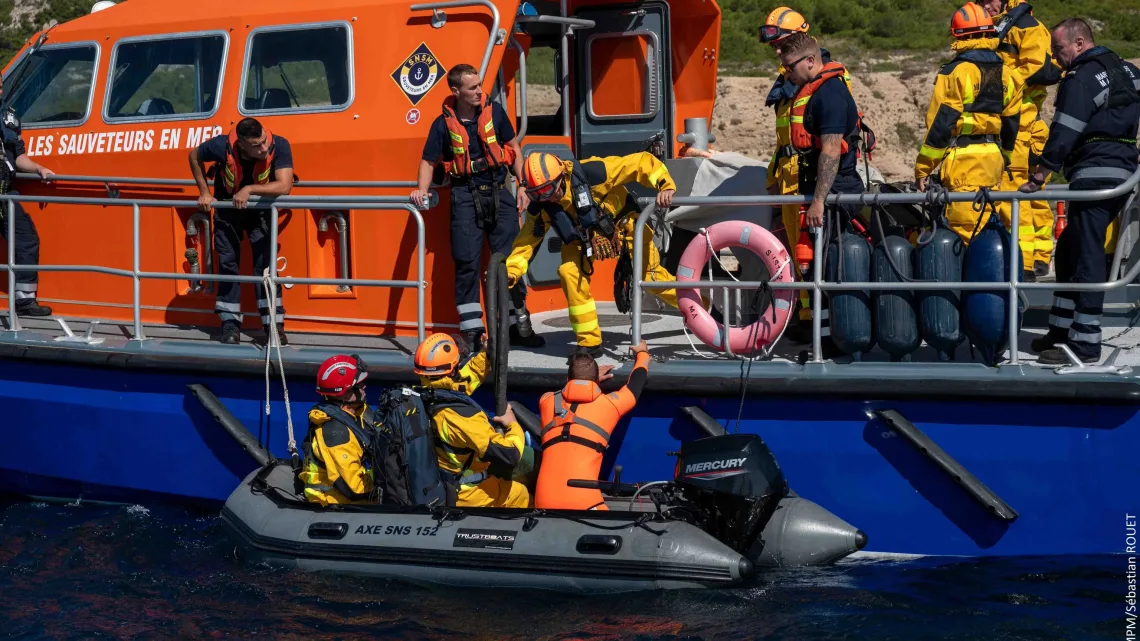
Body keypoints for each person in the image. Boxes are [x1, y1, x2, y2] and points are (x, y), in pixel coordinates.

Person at [1022, 18, 1140, 365]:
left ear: (1078, 43)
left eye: (1058, 50)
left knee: (1086, 254)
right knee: (1070, 247)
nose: (1056, 59)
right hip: (1120, 174)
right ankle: (1060, 330)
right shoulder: (1128, 71)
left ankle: (1085, 344)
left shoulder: (1081, 78)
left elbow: (1064, 131)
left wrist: (1040, 174)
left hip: (1094, 176)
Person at [412, 64, 544, 350]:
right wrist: (421, 191)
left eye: (479, 85)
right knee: (466, 263)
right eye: (472, 88)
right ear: (456, 91)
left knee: (511, 263)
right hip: (463, 196)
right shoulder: (441, 125)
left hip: (499, 192)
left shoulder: (495, 113)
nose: (478, 92)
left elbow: (513, 150)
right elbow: (427, 161)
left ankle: (519, 325)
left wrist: (523, 185)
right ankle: (473, 333)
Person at [507, 151, 678, 357]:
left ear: (561, 177)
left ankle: (701, 309)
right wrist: (511, 271)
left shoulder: (596, 173)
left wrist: (665, 185)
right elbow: (525, 243)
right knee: (569, 272)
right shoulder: (543, 207)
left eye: (547, 191)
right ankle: (589, 343)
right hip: (582, 241)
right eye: (537, 195)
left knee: (651, 277)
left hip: (626, 228)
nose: (546, 198)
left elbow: (641, 162)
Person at [759, 7, 853, 344]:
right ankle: (803, 317)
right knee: (793, 251)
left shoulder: (821, 83)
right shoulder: (789, 80)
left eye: (782, 44)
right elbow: (784, 137)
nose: (778, 53)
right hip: (789, 175)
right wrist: (774, 173)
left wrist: (817, 199)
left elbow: (829, 140)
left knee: (813, 255)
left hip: (810, 179)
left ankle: (823, 331)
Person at [776, 33, 868, 357]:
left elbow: (830, 151)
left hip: (834, 195)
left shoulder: (829, 94)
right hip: (823, 193)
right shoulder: (816, 90)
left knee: (828, 268)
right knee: (817, 269)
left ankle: (834, 345)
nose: (787, 74)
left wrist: (818, 201)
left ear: (811, 61)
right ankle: (827, 341)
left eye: (790, 67)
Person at [914, 4, 1023, 247]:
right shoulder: (1006, 73)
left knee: (963, 236)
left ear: (958, 36)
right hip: (993, 161)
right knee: (990, 230)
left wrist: (923, 169)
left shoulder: (954, 73)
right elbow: (1012, 124)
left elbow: (940, 126)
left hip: (963, 163)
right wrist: (1004, 158)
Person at [189, 117, 294, 345]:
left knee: (265, 267)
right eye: (256, 145)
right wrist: (204, 191)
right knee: (227, 265)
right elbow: (194, 155)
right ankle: (230, 325)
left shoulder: (281, 145)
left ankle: (274, 326)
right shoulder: (221, 146)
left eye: (264, 141)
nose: (264, 148)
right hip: (227, 213)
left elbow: (284, 186)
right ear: (242, 144)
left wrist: (248, 189)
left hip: (259, 212)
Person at [981, 0, 1062, 280]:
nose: (985, 4)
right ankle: (1038, 256)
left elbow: (1038, 68)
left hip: (1019, 121)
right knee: (1032, 195)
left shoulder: (1026, 26)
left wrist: (998, 85)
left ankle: (1027, 263)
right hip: (1018, 119)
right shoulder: (996, 27)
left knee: (1015, 191)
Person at [413, 333, 530, 507]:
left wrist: (487, 355)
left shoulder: (422, 395)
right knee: (520, 493)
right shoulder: (461, 417)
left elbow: (463, 381)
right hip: (463, 493)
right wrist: (513, 425)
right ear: (452, 370)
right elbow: (508, 455)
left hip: (432, 484)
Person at [535, 340, 650, 511]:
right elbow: (635, 385)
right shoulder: (611, 405)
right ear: (596, 379)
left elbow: (565, 392)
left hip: (543, 502)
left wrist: (588, 380)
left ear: (567, 379)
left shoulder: (546, 401)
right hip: (586, 503)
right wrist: (642, 354)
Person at [0, 74, 56, 317]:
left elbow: (18, 155)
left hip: (4, 192)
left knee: (26, 238)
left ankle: (24, 301)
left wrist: (38, 168)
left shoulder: (9, 116)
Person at [299, 354, 376, 505]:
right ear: (346, 394)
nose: (364, 387)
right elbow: (355, 489)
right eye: (359, 386)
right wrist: (386, 476)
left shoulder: (356, 413)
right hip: (336, 503)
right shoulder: (337, 433)